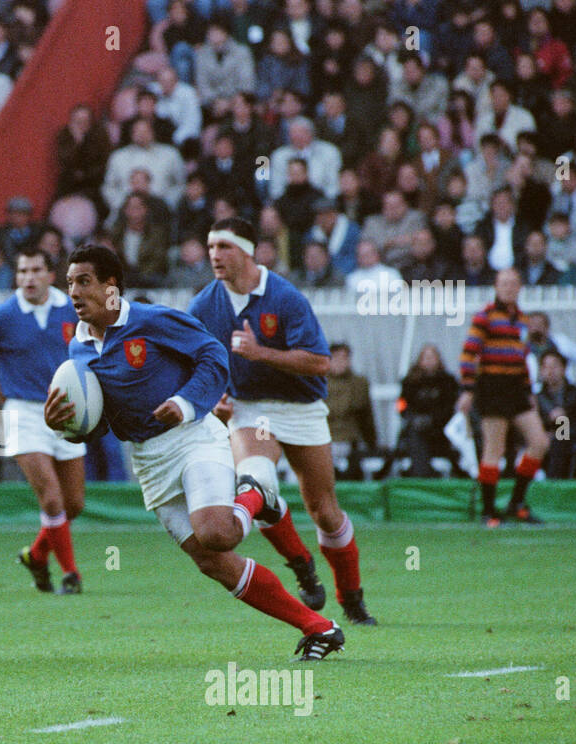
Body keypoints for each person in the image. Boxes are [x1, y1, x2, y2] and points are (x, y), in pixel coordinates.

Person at [45, 244, 344, 661]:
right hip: (148, 460)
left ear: (111, 286)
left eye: (84, 281)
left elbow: (212, 354)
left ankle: (256, 491)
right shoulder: (77, 352)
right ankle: (320, 628)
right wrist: (65, 426)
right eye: (69, 283)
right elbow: (99, 425)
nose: (74, 292)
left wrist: (185, 403)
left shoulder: (150, 319)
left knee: (217, 534)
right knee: (213, 563)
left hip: (193, 437)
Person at [189, 217, 377, 626]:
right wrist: (211, 397)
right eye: (210, 247)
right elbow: (195, 364)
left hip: (302, 409)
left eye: (224, 247)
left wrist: (262, 353)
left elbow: (320, 361)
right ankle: (301, 564)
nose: (215, 256)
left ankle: (352, 598)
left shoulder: (285, 297)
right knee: (256, 480)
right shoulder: (204, 305)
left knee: (325, 511)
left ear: (248, 250)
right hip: (249, 410)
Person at [0, 248, 85, 594]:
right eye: (23, 270)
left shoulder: (72, 307)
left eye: (36, 270)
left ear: (50, 275)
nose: (28, 277)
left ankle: (36, 555)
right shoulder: (4, 314)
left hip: (69, 410)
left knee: (74, 504)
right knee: (52, 498)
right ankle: (71, 574)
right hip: (23, 412)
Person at [457, 268, 551, 526]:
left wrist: (529, 390)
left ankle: (516, 503)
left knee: (540, 442)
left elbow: (522, 358)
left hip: (516, 389)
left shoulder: (522, 319)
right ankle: (489, 511)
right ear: (496, 287)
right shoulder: (485, 316)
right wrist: (467, 388)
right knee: (494, 449)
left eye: (513, 283)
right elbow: (468, 354)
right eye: (504, 283)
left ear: (520, 287)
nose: (509, 288)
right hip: (492, 387)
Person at [397, 344, 460, 477]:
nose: (429, 360)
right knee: (415, 435)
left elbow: (450, 407)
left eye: (432, 357)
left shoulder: (447, 382)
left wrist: (432, 420)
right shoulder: (410, 382)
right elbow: (401, 404)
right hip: (415, 427)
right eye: (426, 357)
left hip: (441, 430)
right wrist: (412, 418)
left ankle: (423, 475)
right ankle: (422, 474)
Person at [536, 349, 576, 479]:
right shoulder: (537, 399)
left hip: (572, 441)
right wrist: (549, 420)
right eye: (546, 367)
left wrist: (565, 420)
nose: (550, 371)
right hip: (545, 443)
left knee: (561, 434)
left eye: (554, 366)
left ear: (563, 368)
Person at [324, 343, 379, 481]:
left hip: (351, 439)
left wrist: (372, 444)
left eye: (344, 358)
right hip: (325, 439)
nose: (341, 362)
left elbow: (366, 417)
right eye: (336, 358)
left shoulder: (359, 383)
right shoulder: (319, 383)